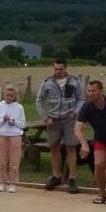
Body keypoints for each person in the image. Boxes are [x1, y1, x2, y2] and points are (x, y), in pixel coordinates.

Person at [35, 58, 84, 193]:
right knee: (54, 147)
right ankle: (56, 175)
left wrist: (75, 113)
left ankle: (72, 178)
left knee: (71, 147)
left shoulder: (74, 81)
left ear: (66, 68)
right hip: (53, 119)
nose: (58, 71)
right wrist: (45, 117)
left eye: (60, 69)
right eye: (55, 68)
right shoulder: (47, 82)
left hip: (69, 119)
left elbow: (81, 98)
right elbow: (39, 100)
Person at [0, 85, 27, 193]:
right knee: (2, 160)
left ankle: (13, 182)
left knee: (14, 160)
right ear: (4, 95)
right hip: (1, 134)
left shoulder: (19, 107)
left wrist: (14, 121)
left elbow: (23, 124)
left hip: (15, 135)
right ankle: (2, 181)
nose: (9, 97)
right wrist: (2, 120)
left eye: (11, 96)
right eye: (7, 95)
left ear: (14, 96)